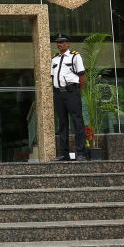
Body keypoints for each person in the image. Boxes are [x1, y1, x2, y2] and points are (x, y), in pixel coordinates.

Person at [51, 33, 87, 161]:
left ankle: (81, 153)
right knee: (62, 124)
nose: (59, 44)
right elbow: (53, 76)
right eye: (58, 42)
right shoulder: (54, 59)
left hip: (72, 92)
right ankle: (63, 154)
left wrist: (78, 92)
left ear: (68, 44)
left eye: (62, 42)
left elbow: (82, 76)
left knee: (77, 122)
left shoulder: (75, 56)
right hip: (59, 93)